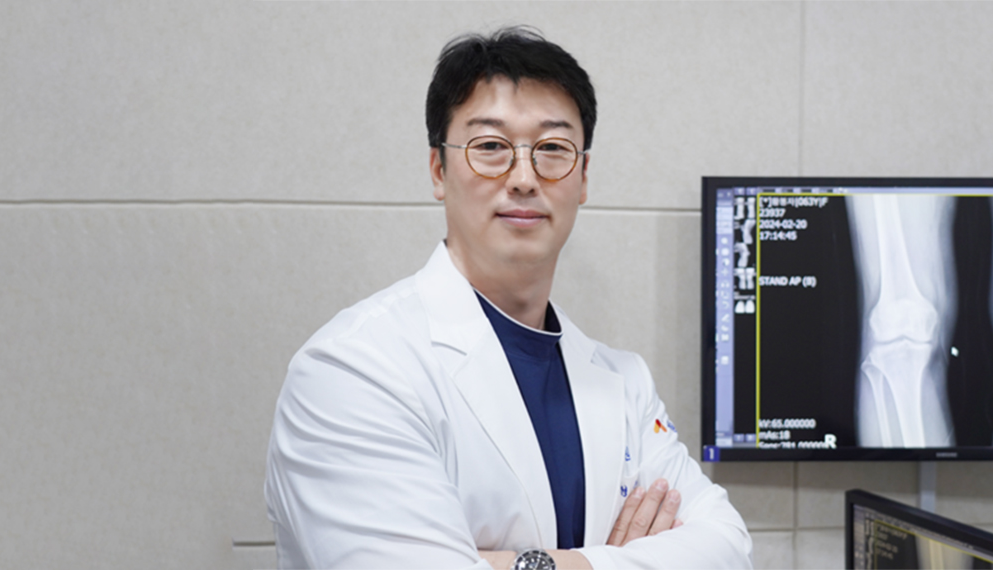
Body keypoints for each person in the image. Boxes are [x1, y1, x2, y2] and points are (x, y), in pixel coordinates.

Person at [265, 27, 753, 569]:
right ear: (438, 170)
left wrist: (519, 562)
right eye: (491, 147)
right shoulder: (353, 371)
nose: (523, 178)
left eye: (553, 149)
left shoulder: (625, 385)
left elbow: (728, 547)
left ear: (583, 177)